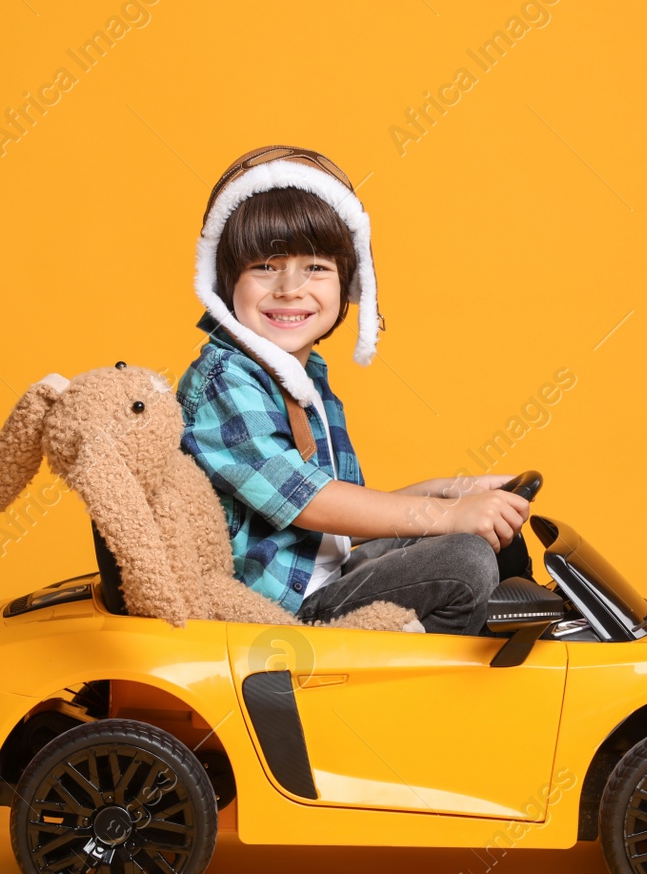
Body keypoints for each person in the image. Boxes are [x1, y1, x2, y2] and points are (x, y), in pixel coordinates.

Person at [177, 145, 528, 635]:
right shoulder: (226, 381)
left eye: (316, 267)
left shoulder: (307, 378)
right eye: (264, 267)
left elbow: (347, 509)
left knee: (490, 536)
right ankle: (411, 680)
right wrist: (449, 517)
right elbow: (309, 502)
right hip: (280, 612)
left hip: (329, 577)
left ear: (349, 284)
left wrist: (450, 492)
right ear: (223, 281)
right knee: (464, 560)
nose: (289, 288)